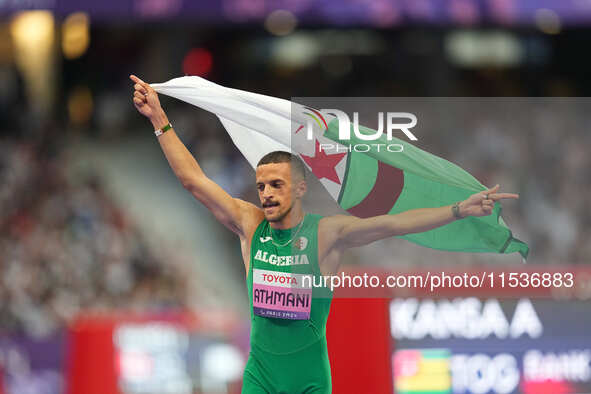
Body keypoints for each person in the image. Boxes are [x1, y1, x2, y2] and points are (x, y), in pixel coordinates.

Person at [130, 74, 519, 393]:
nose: (265, 193)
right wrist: (159, 120)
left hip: (309, 383)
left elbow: (393, 223)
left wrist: (456, 210)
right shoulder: (250, 226)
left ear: (300, 188)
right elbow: (193, 181)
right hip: (260, 379)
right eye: (261, 185)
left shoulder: (327, 233)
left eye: (276, 185)